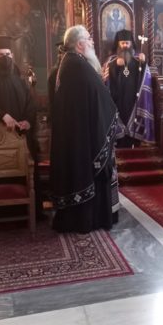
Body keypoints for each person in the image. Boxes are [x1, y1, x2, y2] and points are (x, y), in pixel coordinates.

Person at [49, 25, 119, 233]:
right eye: (89, 38)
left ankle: (79, 218)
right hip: (83, 137)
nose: (92, 42)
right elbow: (99, 99)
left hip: (76, 133)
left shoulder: (69, 62)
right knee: (85, 174)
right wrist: (112, 112)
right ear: (79, 44)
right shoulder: (78, 66)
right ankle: (89, 220)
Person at [103, 29, 155, 147]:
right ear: (118, 44)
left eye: (127, 43)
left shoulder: (138, 60)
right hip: (117, 100)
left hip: (134, 101)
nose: (125, 46)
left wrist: (144, 62)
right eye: (122, 43)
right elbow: (106, 82)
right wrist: (115, 65)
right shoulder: (111, 61)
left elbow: (145, 79)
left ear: (131, 43)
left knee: (133, 133)